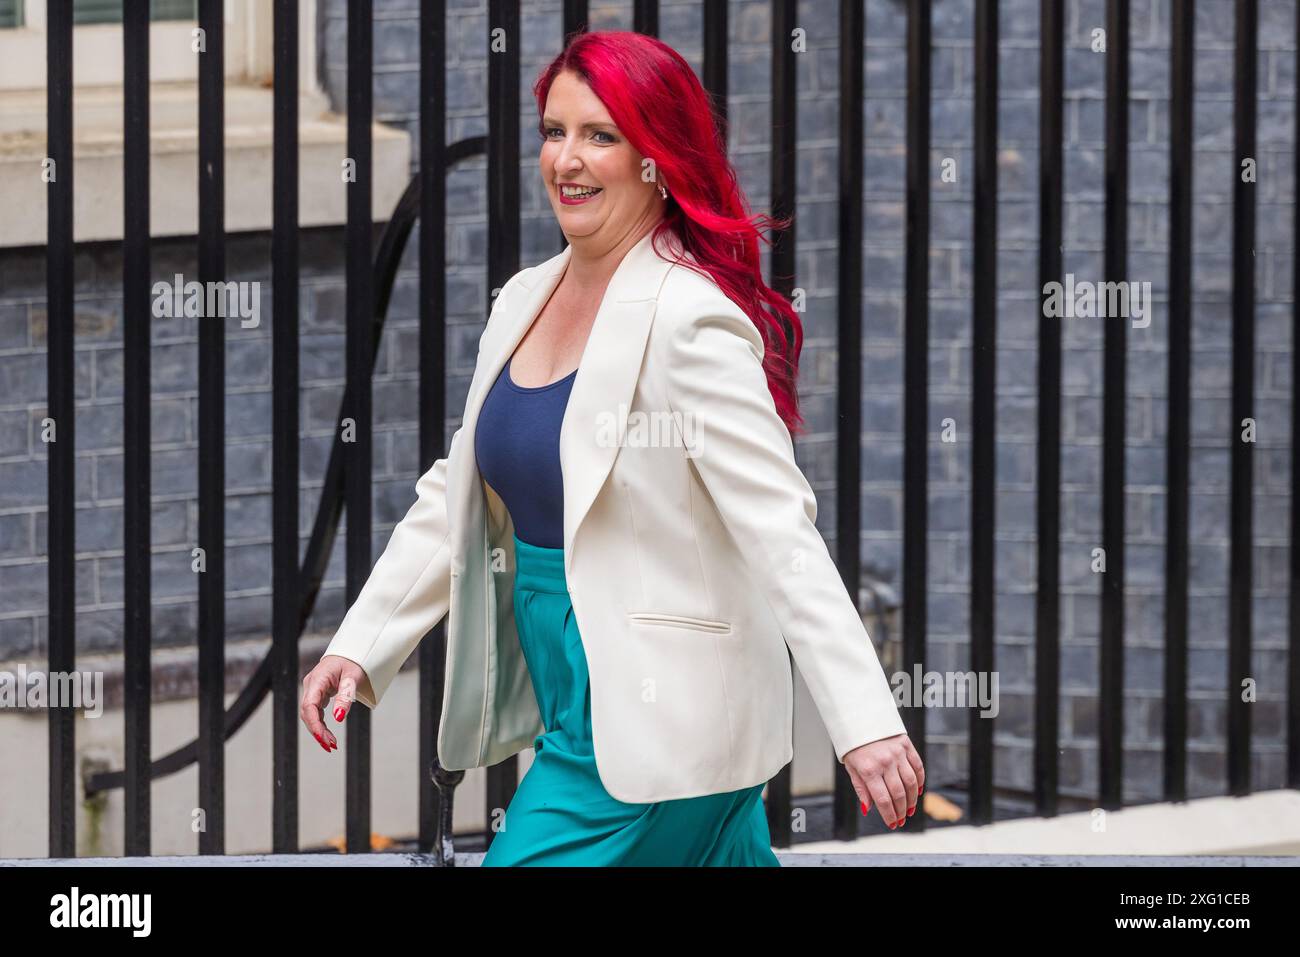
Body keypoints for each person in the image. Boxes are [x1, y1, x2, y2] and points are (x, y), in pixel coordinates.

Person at [300, 30, 924, 866]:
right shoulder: (525, 296)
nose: (568, 159)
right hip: (576, 694)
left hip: (660, 720)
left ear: (657, 158)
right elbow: (463, 485)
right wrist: (361, 642)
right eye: (555, 132)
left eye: (601, 135)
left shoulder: (686, 317)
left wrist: (864, 720)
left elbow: (780, 529)